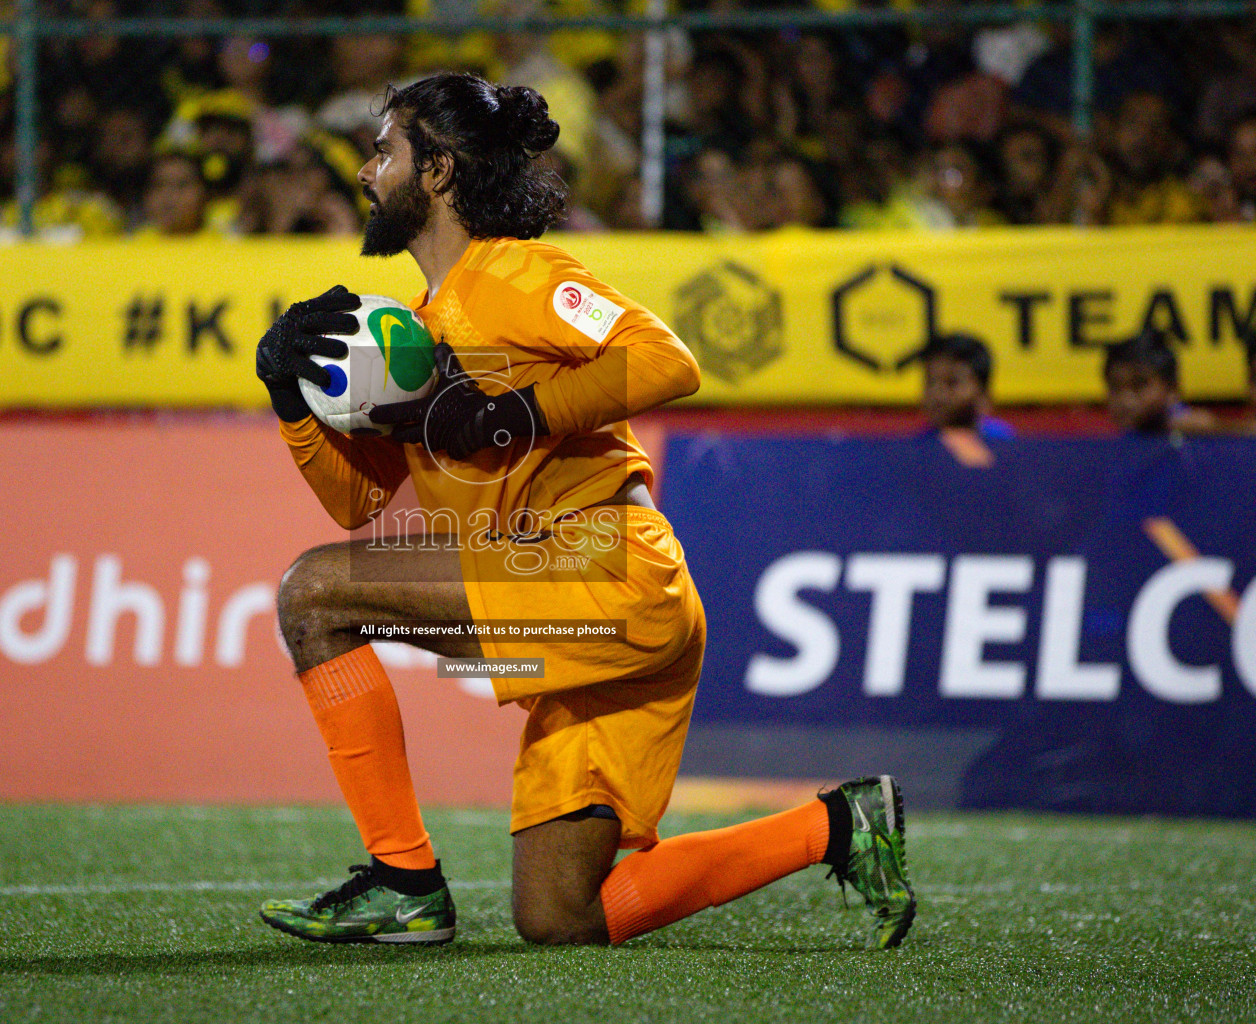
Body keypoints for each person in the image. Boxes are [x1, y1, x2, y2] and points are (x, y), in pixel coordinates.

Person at [252, 71, 916, 950]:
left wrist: (514, 411)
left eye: (386, 151)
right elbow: (358, 499)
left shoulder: (518, 273)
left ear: (440, 171)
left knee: (312, 596)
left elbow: (668, 359)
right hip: (580, 610)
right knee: (561, 916)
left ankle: (403, 879)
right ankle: (839, 826)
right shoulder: (415, 329)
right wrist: (291, 402)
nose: (369, 172)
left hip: (610, 569)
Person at [1102, 328, 1212, 434]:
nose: (1125, 400)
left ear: (1172, 388)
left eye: (1139, 385)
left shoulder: (1199, 429)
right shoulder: (1122, 437)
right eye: (1115, 387)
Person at [919, 332, 1014, 439]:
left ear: (984, 396)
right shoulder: (919, 446)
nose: (937, 394)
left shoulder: (1003, 443)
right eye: (930, 382)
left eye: (952, 383)